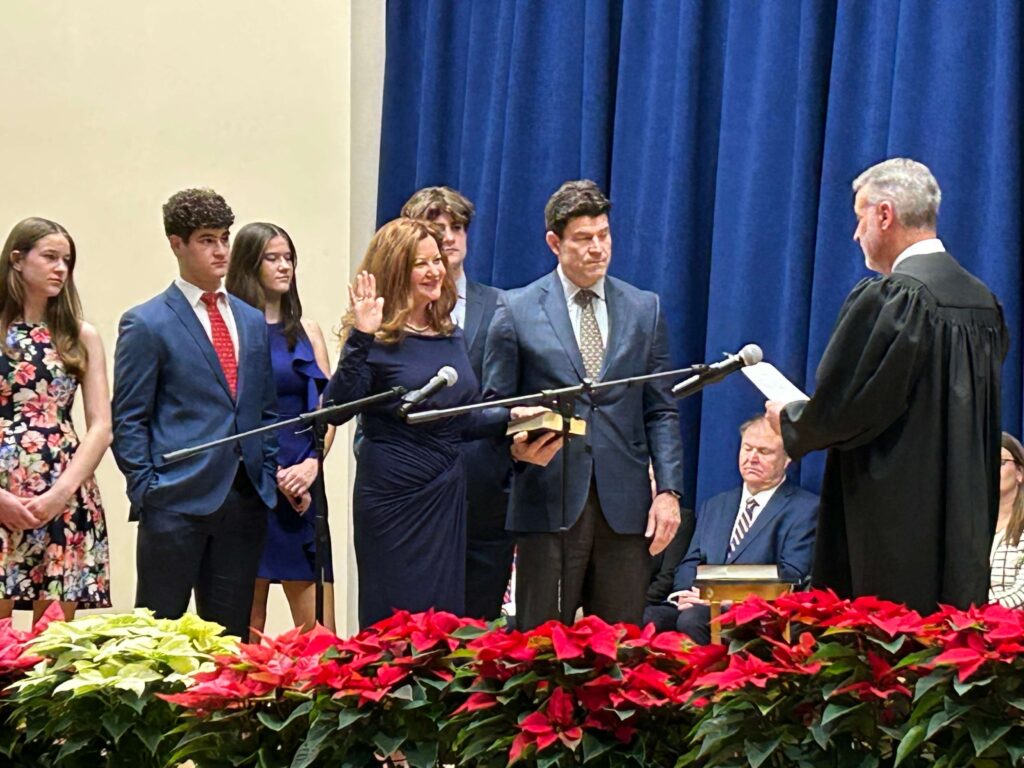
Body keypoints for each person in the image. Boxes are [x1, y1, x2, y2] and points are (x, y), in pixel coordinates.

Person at [766, 158, 1009, 613]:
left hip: (895, 516)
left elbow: (847, 408)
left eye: (859, 218)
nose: (856, 234)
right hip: (963, 512)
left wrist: (792, 417)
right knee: (950, 637)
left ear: (884, 214)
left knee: (889, 639)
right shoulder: (982, 303)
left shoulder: (895, 297)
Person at [483, 179, 685, 629]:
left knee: (621, 645)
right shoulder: (515, 310)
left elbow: (661, 410)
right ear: (554, 243)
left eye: (604, 235)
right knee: (543, 645)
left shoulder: (644, 308)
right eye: (583, 238)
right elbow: (494, 407)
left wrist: (668, 492)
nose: (598, 248)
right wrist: (516, 440)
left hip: (625, 508)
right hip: (549, 500)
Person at [326, 217, 541, 629]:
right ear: (396, 269)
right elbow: (338, 409)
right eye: (421, 263)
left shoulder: (448, 333)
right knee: (395, 623)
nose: (435, 271)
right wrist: (361, 337)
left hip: (445, 492)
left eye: (437, 260)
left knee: (441, 623)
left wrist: (510, 416)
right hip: (393, 495)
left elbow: (460, 418)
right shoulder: (374, 336)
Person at [112, 188, 279, 639]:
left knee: (228, 639)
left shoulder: (250, 319)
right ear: (177, 244)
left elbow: (264, 408)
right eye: (207, 240)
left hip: (244, 496)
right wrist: (147, 488)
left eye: (224, 238)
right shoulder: (147, 322)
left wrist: (266, 469)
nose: (221, 250)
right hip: (174, 498)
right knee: (158, 636)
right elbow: (128, 416)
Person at [400, 186, 513, 621]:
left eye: (458, 227)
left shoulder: (502, 305)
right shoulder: (392, 313)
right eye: (436, 228)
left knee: (480, 628)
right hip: (416, 484)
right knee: (416, 625)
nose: (449, 237)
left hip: (484, 487)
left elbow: (506, 396)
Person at [225, 222, 335, 637]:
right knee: (245, 629)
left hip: (303, 482)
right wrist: (272, 474)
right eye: (272, 258)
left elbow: (326, 412)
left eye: (288, 257)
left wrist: (312, 465)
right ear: (249, 264)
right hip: (251, 483)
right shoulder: (232, 330)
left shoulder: (308, 330)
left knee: (320, 633)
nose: (284, 266)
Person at [0, 218, 112, 622]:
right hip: (2, 487)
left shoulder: (79, 335)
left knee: (52, 641)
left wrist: (60, 493)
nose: (60, 269)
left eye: (67, 261)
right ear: (17, 259)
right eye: (50, 257)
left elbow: (101, 426)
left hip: (63, 488)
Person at [645, 416, 818, 642]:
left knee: (693, 619)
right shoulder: (715, 505)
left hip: (754, 611)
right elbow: (691, 562)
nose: (752, 458)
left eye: (764, 452)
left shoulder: (806, 508)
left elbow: (791, 573)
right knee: (647, 617)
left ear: (787, 459)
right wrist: (684, 594)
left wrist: (722, 599)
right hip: (700, 602)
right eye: (747, 448)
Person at [990, 433, 1024, 608]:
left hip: (1013, 620)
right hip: (971, 618)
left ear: (1020, 472)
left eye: (1000, 462)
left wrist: (982, 610)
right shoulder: (970, 526)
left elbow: (1021, 592)